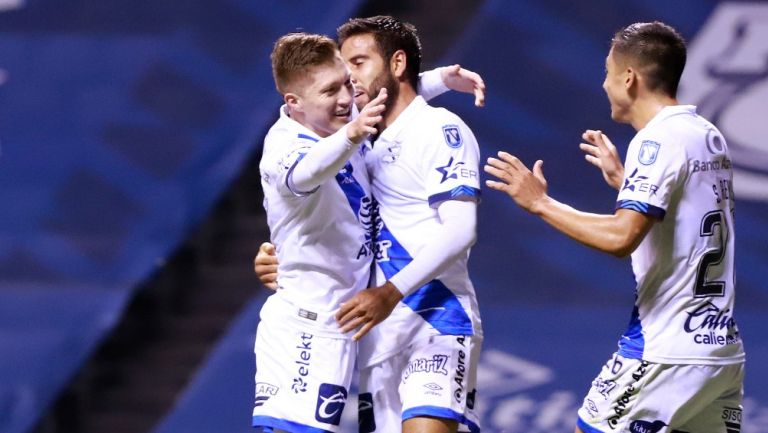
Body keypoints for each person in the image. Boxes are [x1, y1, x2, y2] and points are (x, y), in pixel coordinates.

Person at [484, 21, 745, 433]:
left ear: (629, 77)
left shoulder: (656, 141)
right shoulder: (706, 134)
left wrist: (540, 203)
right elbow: (690, 224)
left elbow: (621, 237)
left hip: (665, 350)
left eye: (608, 72)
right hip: (719, 352)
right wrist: (628, 183)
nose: (604, 83)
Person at [257, 16, 484, 433]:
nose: (350, 90)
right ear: (294, 101)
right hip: (372, 331)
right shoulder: (346, 135)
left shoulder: (438, 128)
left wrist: (441, 79)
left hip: (431, 315)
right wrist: (283, 251)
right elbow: (305, 173)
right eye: (337, 82)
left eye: (355, 68)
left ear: (396, 65)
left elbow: (460, 230)